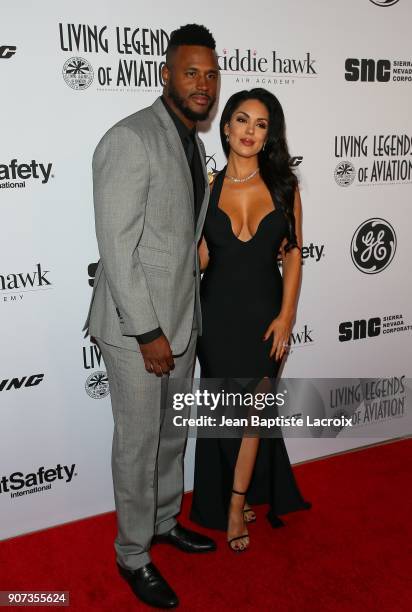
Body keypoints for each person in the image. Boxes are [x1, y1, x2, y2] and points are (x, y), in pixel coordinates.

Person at [83, 24, 219, 609]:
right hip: (137, 330)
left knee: (171, 438)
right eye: (191, 72)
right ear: (164, 74)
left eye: (211, 75)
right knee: (138, 444)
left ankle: (163, 521)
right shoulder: (130, 138)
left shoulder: (191, 140)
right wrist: (148, 331)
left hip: (182, 323)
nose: (203, 84)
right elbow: (116, 246)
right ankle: (132, 554)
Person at [190, 88, 311, 552]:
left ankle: (237, 502)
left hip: (265, 316)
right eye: (242, 120)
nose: (249, 132)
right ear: (225, 127)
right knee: (224, 411)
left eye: (261, 125)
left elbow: (295, 255)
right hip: (216, 316)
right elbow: (201, 259)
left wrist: (287, 316)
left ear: (269, 135)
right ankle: (228, 493)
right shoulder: (207, 187)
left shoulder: (284, 187)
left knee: (253, 412)